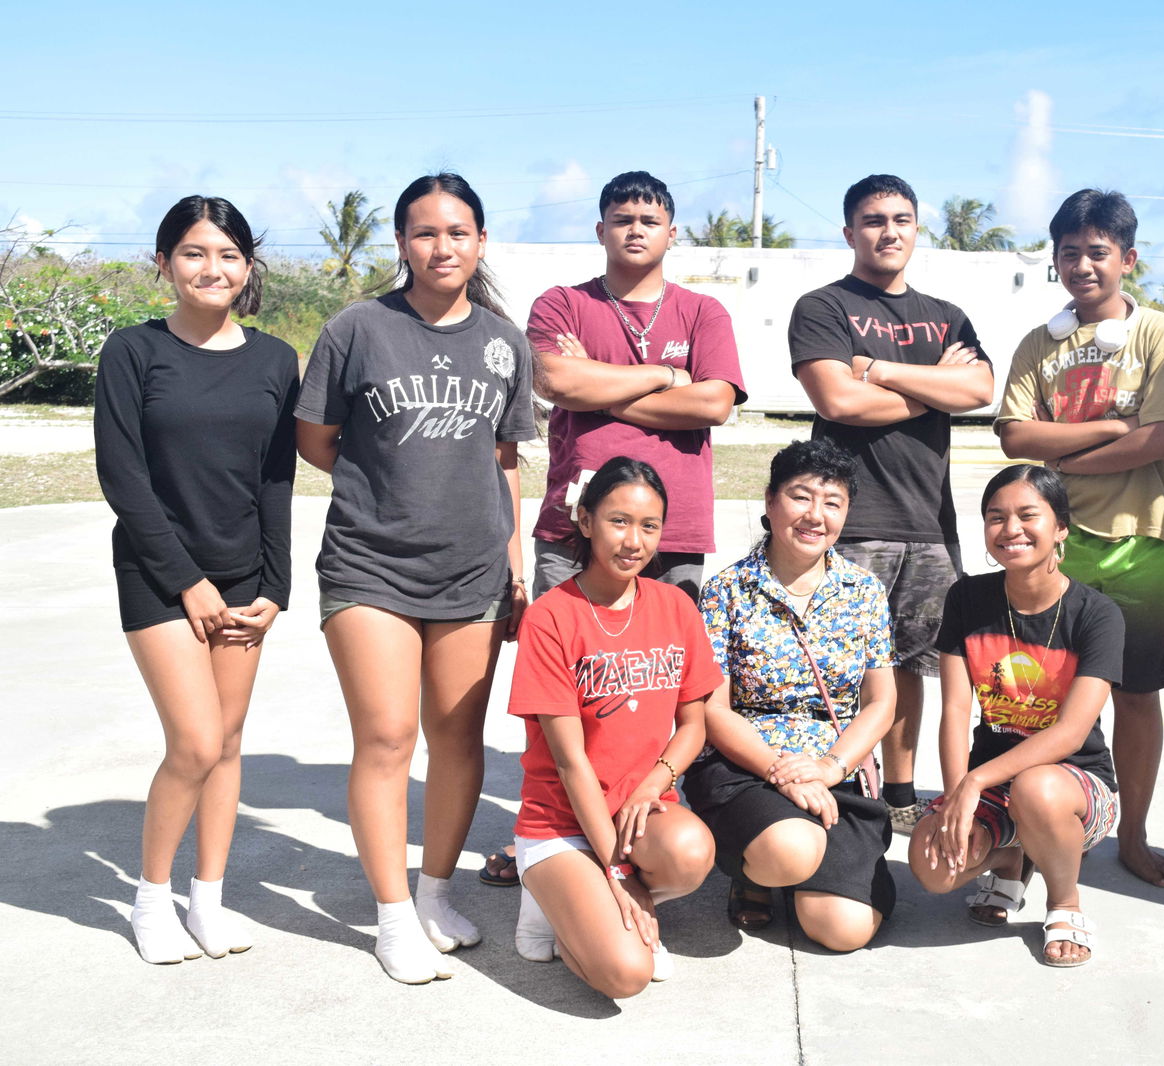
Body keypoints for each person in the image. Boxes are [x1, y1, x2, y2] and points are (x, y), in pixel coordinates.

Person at [295, 173, 538, 984]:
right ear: (400, 243)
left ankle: (435, 894)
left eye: (459, 232)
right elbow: (316, 439)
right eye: (426, 233)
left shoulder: (505, 342)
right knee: (389, 736)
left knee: (459, 740)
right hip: (369, 563)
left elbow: (503, 458)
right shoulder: (357, 329)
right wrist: (387, 490)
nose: (444, 247)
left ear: (480, 242)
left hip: (471, 570)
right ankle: (392, 916)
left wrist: (512, 553)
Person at [480, 170, 745, 890]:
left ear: (671, 232)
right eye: (621, 218)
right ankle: (547, 827)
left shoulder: (703, 312)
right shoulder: (563, 302)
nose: (635, 229)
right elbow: (558, 383)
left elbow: (715, 402)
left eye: (649, 219)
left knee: (662, 693)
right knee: (560, 698)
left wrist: (613, 389)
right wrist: (664, 380)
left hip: (674, 529)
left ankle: (654, 822)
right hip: (572, 531)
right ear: (600, 230)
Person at [93, 195, 298, 964]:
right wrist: (187, 581)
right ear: (164, 262)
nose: (211, 269)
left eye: (228, 256)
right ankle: (151, 898)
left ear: (247, 267)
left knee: (230, 741)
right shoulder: (132, 352)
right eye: (193, 253)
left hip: (244, 575)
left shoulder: (276, 358)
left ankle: (207, 900)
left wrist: (275, 589)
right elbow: (123, 476)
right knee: (194, 740)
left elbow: (276, 481)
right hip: (156, 572)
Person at [994, 189, 1164, 888]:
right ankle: (1032, 833)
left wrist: (1062, 458)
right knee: (1041, 698)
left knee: (1137, 696)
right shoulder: (1038, 344)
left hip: (1142, 543)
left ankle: (1133, 834)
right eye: (1070, 252)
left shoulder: (1161, 336)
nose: (1083, 265)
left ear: (1128, 258)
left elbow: (1160, 438)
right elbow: (1014, 435)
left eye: (1098, 252)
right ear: (1054, 259)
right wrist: (1108, 429)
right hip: (1056, 546)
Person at [788, 174, 993, 833]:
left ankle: (899, 793)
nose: (889, 231)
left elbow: (981, 388)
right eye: (874, 220)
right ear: (849, 232)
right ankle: (839, 787)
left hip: (930, 524)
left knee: (910, 670)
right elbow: (837, 401)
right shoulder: (823, 307)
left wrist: (877, 369)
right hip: (850, 522)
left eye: (901, 218)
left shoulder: (948, 315)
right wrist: (938, 386)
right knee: (839, 670)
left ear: (917, 228)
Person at [508, 457, 719, 998]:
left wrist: (652, 785)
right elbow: (570, 761)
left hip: (639, 812)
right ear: (584, 520)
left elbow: (693, 726)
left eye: (649, 526)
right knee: (628, 975)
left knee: (692, 851)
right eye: (618, 521)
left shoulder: (675, 605)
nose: (634, 541)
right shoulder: (552, 616)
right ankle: (555, 899)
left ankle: (594, 909)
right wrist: (618, 874)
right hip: (560, 823)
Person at [685, 439, 897, 951]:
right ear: (770, 500)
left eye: (833, 502)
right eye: (801, 497)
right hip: (747, 764)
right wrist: (779, 769)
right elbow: (713, 706)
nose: (815, 516)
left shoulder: (863, 591)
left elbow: (881, 702)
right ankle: (759, 870)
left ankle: (809, 872)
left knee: (842, 932)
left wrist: (830, 765)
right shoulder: (725, 590)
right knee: (788, 848)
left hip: (835, 767)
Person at [909, 465, 1123, 967]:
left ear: (1061, 527)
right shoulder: (967, 598)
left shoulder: (1097, 614)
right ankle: (1009, 854)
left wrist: (975, 780)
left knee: (1037, 790)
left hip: (1073, 785)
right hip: (994, 786)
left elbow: (1071, 732)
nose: (1010, 530)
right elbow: (956, 708)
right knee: (931, 867)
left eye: (1029, 516)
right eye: (995, 517)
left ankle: (1064, 902)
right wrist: (958, 798)